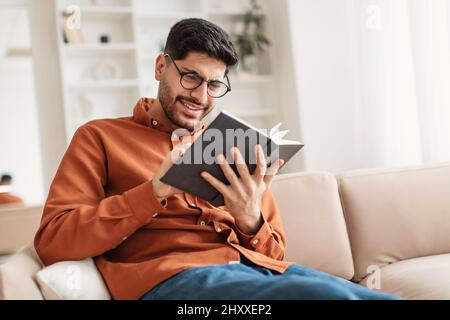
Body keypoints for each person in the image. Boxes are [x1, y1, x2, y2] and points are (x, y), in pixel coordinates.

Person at [34, 18, 400, 300]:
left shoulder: (229, 145)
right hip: (173, 281)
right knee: (324, 296)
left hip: (257, 271)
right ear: (162, 67)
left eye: (214, 86)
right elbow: (54, 240)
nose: (202, 97)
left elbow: (274, 252)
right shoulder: (99, 137)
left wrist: (250, 218)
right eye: (191, 78)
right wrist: (154, 190)